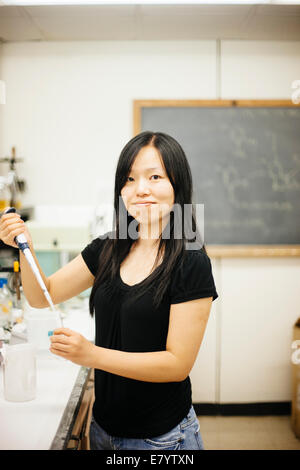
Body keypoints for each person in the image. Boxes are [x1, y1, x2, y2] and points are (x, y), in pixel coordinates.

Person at [0, 131, 218, 450]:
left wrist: (91, 355)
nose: (140, 189)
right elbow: (41, 294)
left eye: (154, 176)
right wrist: (25, 247)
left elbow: (177, 365)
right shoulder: (108, 248)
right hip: (103, 431)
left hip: (162, 438)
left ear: (177, 186)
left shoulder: (191, 262)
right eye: (129, 179)